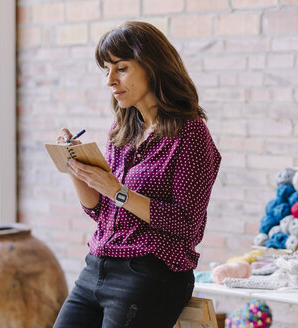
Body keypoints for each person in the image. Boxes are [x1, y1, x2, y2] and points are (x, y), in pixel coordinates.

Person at [53, 21, 221, 328]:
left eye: (121, 68)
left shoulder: (191, 133)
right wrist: (76, 166)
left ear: (153, 67)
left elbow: (187, 224)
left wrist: (118, 191)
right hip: (96, 267)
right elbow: (100, 211)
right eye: (106, 70)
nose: (110, 81)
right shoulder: (122, 130)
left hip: (150, 273)